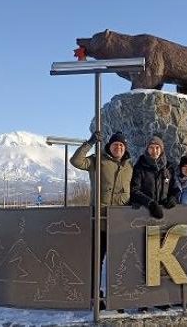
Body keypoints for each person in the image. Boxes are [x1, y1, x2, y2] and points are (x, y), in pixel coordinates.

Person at [70, 130, 133, 308]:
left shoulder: (129, 166)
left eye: (121, 145)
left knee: (120, 261)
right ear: (109, 146)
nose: (118, 148)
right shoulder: (98, 160)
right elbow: (75, 161)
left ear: (125, 148)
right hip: (100, 222)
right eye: (115, 145)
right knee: (97, 260)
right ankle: (95, 296)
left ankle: (118, 295)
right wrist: (89, 143)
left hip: (120, 223)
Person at [130, 135, 179, 219]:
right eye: (151, 148)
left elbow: (174, 189)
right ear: (147, 149)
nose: (154, 151)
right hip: (144, 212)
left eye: (157, 147)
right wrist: (150, 203)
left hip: (165, 213)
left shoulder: (168, 168)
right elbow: (134, 190)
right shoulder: (140, 167)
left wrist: (173, 198)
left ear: (161, 149)